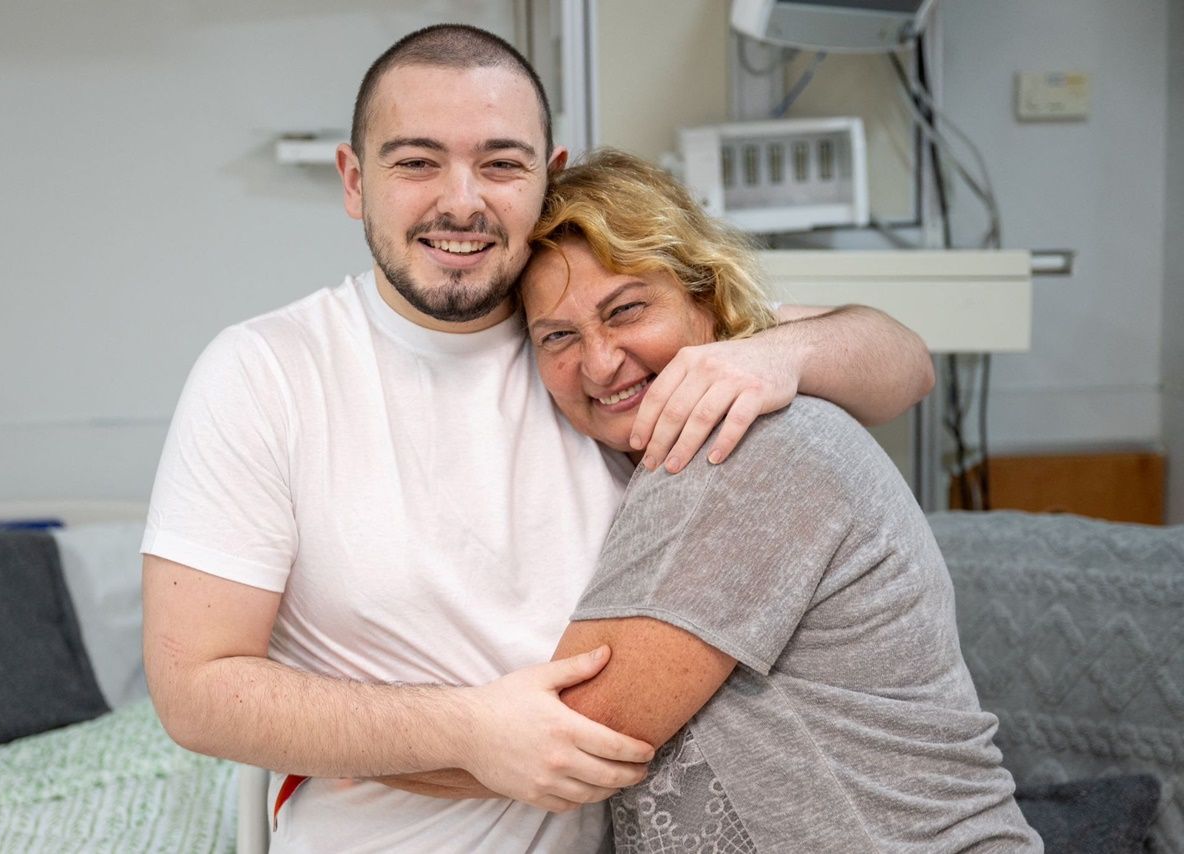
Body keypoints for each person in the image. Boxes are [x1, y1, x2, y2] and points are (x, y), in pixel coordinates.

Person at [140, 24, 935, 853]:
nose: (461, 201)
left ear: (546, 179)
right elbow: (195, 688)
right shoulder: (267, 372)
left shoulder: (601, 352)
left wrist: (783, 352)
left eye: (500, 163)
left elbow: (903, 362)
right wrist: (464, 732)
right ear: (354, 180)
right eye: (415, 161)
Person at [513, 149, 1040, 851]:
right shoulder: (642, 434)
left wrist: (352, 749)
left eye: (629, 309)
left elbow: (580, 736)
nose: (601, 361)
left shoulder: (740, 439)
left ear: (704, 295)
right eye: (559, 337)